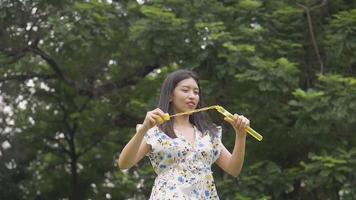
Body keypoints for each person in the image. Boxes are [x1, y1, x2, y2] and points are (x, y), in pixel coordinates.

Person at [118, 69, 249, 199]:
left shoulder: (207, 133)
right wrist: (142, 130)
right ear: (170, 95)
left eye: (196, 92)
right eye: (185, 90)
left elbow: (233, 169)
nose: (192, 95)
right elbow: (124, 164)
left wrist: (241, 135)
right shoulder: (155, 131)